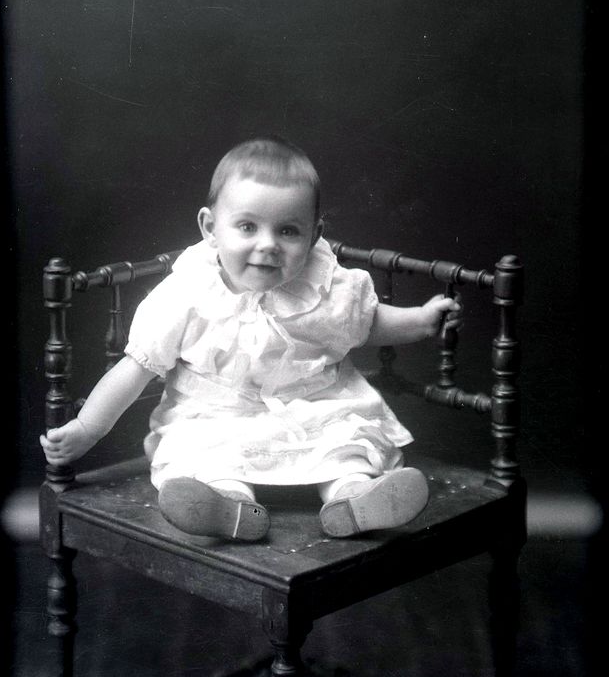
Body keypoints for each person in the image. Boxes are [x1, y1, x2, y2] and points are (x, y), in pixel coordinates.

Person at [41, 137, 462, 542]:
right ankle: (230, 506)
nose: (268, 245)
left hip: (314, 406)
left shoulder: (326, 285)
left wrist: (421, 321)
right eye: (247, 226)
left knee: (345, 446)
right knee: (206, 456)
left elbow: (367, 323)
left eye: (288, 231)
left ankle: (352, 498)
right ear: (211, 228)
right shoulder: (187, 293)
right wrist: (87, 428)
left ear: (314, 235)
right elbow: (135, 369)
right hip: (216, 415)